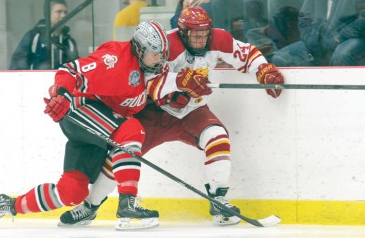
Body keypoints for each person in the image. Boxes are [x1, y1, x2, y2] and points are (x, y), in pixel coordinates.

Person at [58, 6, 284, 227]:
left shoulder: (219, 39)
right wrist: (179, 85)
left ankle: (218, 201)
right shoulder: (166, 44)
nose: (201, 40)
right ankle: (90, 206)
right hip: (154, 113)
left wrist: (264, 71)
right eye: (194, 35)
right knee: (124, 155)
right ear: (183, 32)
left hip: (193, 112)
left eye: (204, 34)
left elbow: (246, 53)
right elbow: (148, 81)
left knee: (218, 138)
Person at [0, 21, 170, 230]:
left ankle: (8, 204)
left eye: (162, 53)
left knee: (71, 192)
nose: (160, 58)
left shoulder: (147, 68)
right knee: (132, 130)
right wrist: (59, 95)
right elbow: (69, 71)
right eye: (155, 53)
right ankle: (128, 204)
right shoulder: (114, 60)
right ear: (139, 49)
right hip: (80, 111)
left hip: (100, 126)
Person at [271, 0, 365, 66]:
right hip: (317, 41)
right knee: (281, 58)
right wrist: (311, 40)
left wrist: (338, 38)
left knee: (341, 56)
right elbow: (303, 18)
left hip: (348, 38)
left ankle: (339, 95)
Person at [9, 0, 79, 70]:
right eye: (59, 12)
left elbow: (76, 69)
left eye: (65, 12)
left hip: (62, 80)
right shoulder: (33, 37)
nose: (63, 15)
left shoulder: (69, 42)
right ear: (48, 14)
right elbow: (17, 66)